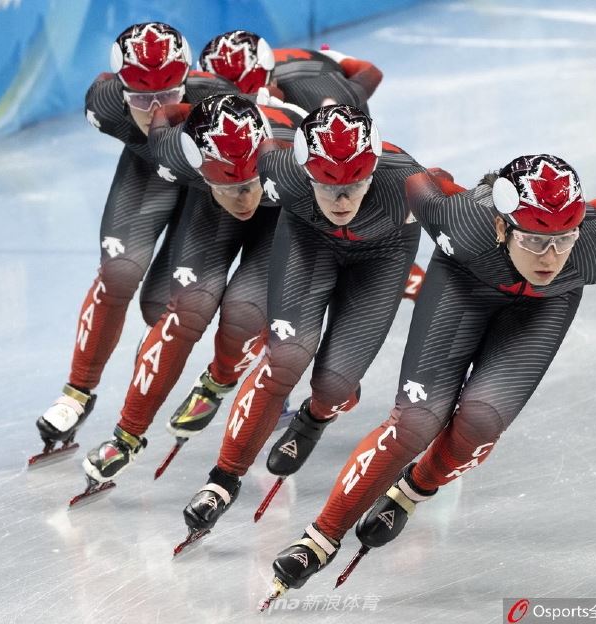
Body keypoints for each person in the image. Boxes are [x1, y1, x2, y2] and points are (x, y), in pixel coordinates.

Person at [261, 154, 596, 603]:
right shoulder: (460, 221)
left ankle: (412, 490)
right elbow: (422, 182)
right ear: (502, 227)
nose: (551, 258)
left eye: (562, 240)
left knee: (480, 425)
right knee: (416, 421)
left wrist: (584, 212)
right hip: (463, 282)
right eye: (536, 242)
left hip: (543, 310)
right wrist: (473, 194)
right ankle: (320, 538)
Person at [175, 104, 426, 552]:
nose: (343, 201)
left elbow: (480, 224)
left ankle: (314, 418)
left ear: (374, 169)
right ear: (305, 173)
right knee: (285, 357)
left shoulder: (410, 184)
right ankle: (222, 479)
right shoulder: (276, 166)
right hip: (308, 245)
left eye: (355, 184)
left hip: (382, 260)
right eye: (329, 187)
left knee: (336, 385)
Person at [76, 94, 306, 493]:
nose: (245, 199)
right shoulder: (173, 151)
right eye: (230, 186)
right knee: (185, 309)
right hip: (208, 209)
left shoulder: (294, 158)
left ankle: (216, 382)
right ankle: (126, 436)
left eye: (250, 185)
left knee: (245, 312)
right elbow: (165, 114)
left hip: (284, 215)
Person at [30, 22, 237, 464]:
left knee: (161, 306)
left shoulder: (217, 105)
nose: (155, 110)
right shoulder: (103, 105)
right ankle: (77, 392)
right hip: (149, 175)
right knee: (118, 271)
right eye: (141, 99)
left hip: (206, 190)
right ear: (121, 91)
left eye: (168, 96)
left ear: (187, 82)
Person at [197, 30, 382, 112]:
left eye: (252, 94)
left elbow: (372, 73)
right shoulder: (195, 94)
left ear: (272, 80)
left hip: (317, 76)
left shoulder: (319, 95)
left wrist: (337, 60)